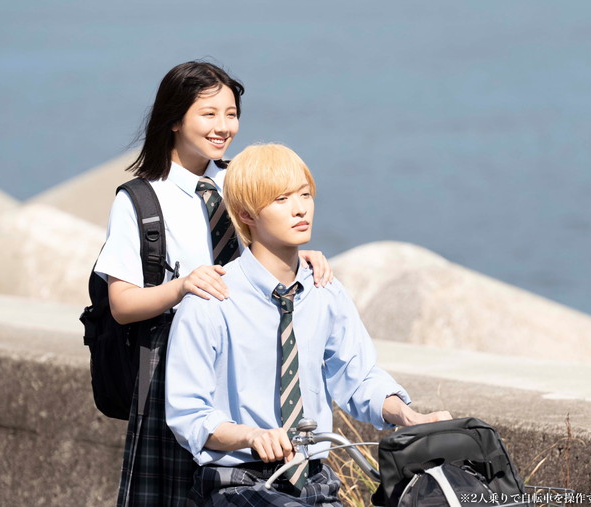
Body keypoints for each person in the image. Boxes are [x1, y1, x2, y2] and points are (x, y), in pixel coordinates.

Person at [94, 62, 333, 507]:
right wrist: (183, 286)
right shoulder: (141, 199)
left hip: (246, 361)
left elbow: (265, 252)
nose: (223, 127)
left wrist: (297, 258)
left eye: (231, 114)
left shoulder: (238, 181)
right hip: (172, 368)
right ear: (173, 119)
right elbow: (122, 305)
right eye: (209, 114)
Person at [165, 143, 452, 506]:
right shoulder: (211, 300)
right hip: (237, 482)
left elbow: (358, 376)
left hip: (316, 479)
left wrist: (407, 416)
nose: (300, 208)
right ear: (246, 214)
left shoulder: (324, 290)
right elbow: (189, 415)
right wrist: (251, 436)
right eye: (281, 199)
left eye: (305, 194)